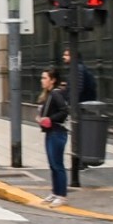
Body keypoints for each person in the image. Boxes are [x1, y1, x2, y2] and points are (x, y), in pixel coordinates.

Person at [37, 68, 71, 207]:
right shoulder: (49, 94)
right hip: (50, 133)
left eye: (45, 78)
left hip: (57, 133)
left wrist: (49, 119)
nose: (42, 80)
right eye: (42, 78)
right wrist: (41, 118)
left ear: (52, 80)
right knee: (52, 165)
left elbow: (64, 111)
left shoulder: (56, 94)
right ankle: (55, 192)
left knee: (58, 165)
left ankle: (62, 196)